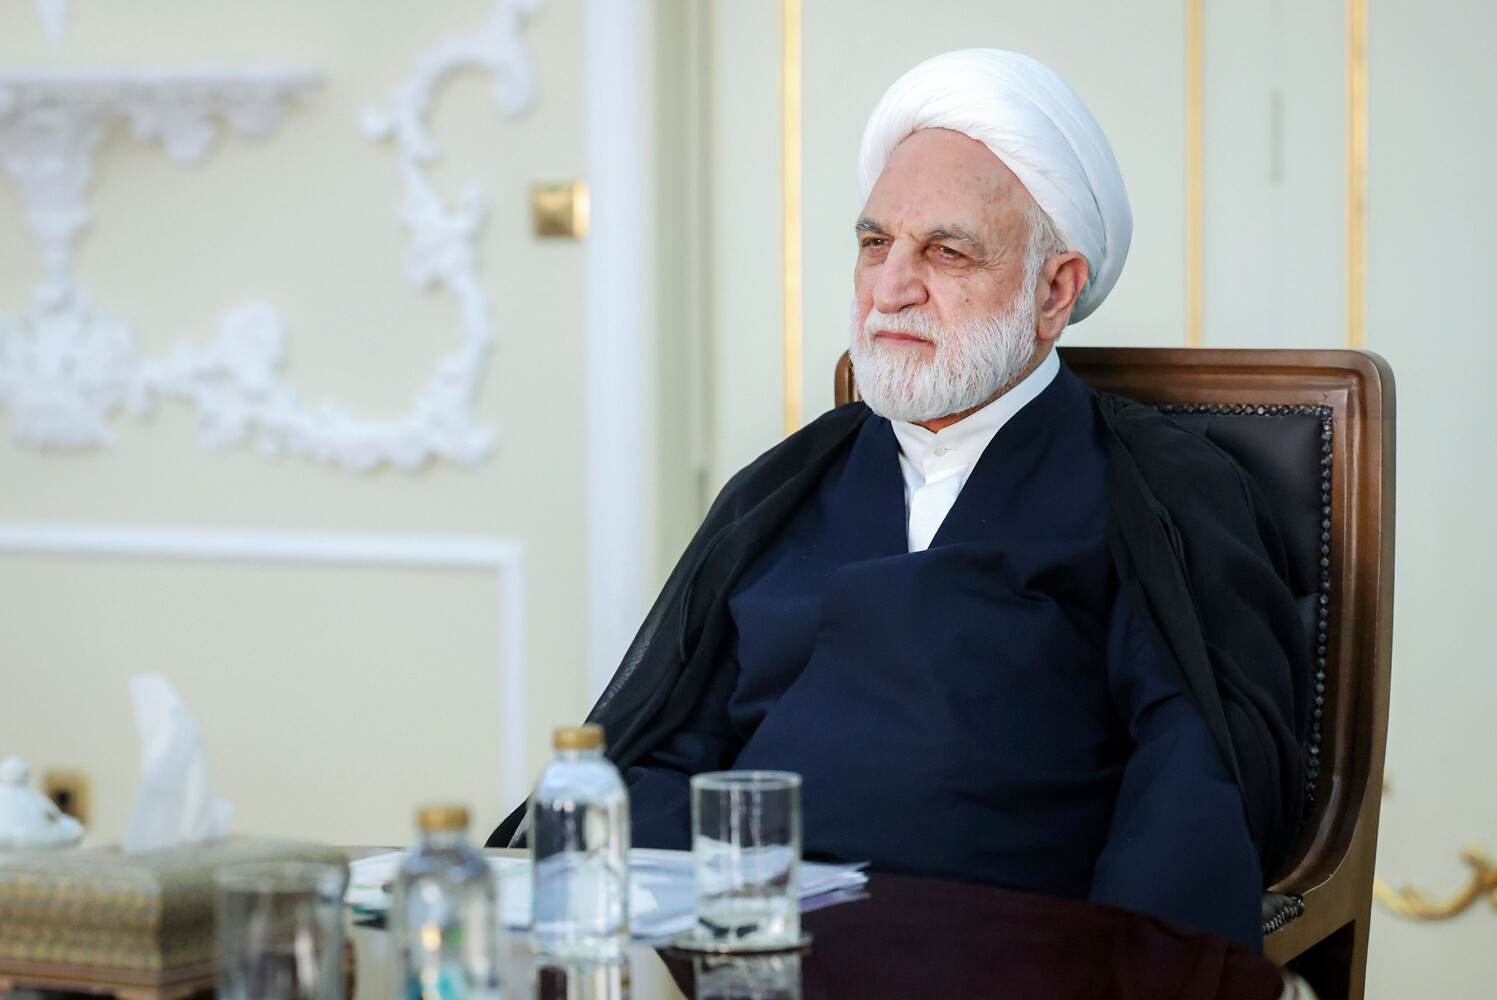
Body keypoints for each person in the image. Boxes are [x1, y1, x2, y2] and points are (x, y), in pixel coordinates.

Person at [490, 49, 1310, 951]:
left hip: (1004, 957)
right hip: (756, 953)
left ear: (1054, 290)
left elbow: (1188, 793)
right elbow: (663, 753)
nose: (889, 289)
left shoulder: (1154, 496)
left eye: (945, 251)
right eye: (875, 243)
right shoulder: (785, 489)